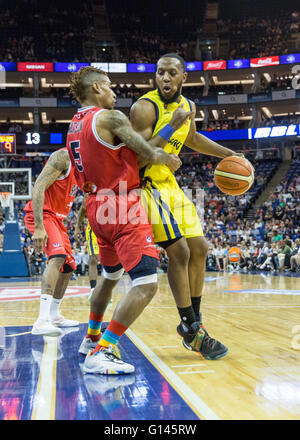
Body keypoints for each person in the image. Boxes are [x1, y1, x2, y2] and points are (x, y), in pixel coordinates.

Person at [67, 66, 181, 375]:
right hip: (121, 206)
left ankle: (91, 338)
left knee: (111, 276)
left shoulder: (74, 125)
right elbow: (147, 152)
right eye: (110, 87)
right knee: (146, 283)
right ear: (98, 89)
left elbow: (90, 170)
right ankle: (102, 350)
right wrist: (169, 150)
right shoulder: (111, 118)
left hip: (95, 206)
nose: (115, 93)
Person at [130, 53, 244, 359]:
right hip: (146, 184)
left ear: (184, 78)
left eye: (171, 73)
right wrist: (171, 127)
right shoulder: (143, 108)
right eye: (160, 73)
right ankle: (192, 328)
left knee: (200, 248)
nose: (165, 78)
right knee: (178, 251)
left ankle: (194, 324)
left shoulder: (188, 107)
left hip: (171, 184)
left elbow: (192, 138)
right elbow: (137, 158)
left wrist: (229, 155)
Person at [24, 148, 79, 337]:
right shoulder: (64, 156)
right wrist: (39, 227)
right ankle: (42, 320)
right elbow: (39, 185)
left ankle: (55, 315)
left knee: (69, 266)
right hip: (42, 215)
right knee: (58, 256)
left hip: (57, 219)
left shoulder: (85, 165)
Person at [74, 194, 105, 302]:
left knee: (111, 260)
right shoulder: (90, 189)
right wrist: (77, 226)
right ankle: (93, 289)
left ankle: (106, 289)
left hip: (110, 226)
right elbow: (83, 208)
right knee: (93, 259)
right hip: (94, 228)